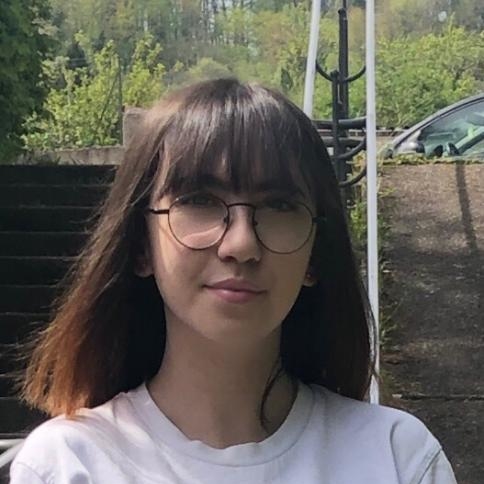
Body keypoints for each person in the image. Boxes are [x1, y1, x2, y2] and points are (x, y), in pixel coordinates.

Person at [10, 78, 457, 484]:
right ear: (141, 245)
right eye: (199, 199)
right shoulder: (69, 465)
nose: (241, 244)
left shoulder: (397, 457)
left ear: (315, 255)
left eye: (279, 205)